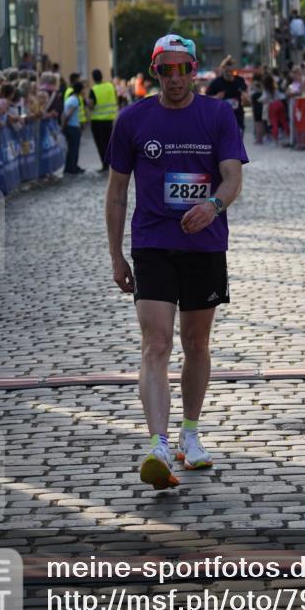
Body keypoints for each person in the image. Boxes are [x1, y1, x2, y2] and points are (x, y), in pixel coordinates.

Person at [105, 34, 248, 490]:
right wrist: (115, 255)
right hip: (152, 243)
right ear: (155, 71)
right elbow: (116, 191)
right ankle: (158, 444)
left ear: (194, 69)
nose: (176, 77)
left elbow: (232, 176)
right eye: (167, 69)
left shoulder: (218, 113)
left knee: (197, 343)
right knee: (156, 344)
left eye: (184, 68)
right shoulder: (132, 120)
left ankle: (190, 433)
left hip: (205, 244)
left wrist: (214, 206)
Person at [206, 55, 249, 135]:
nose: (229, 73)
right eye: (226, 71)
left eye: (231, 71)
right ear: (223, 70)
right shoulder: (216, 82)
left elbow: (246, 96)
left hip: (237, 115)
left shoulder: (239, 80)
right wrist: (216, 97)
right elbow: (206, 99)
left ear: (234, 70)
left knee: (238, 140)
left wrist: (245, 97)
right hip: (222, 117)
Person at [88, 68, 118, 173]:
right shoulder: (110, 86)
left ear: (93, 78)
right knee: (109, 143)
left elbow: (91, 106)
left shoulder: (94, 89)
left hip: (97, 121)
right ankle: (111, 164)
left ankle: (105, 165)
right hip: (109, 120)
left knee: (101, 144)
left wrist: (86, 102)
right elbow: (116, 99)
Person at [62, 81, 85, 174]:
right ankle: (73, 168)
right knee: (74, 148)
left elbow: (64, 113)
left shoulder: (69, 98)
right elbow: (69, 115)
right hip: (73, 127)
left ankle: (69, 167)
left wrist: (63, 125)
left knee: (71, 148)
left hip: (70, 126)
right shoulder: (75, 100)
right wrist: (64, 125)